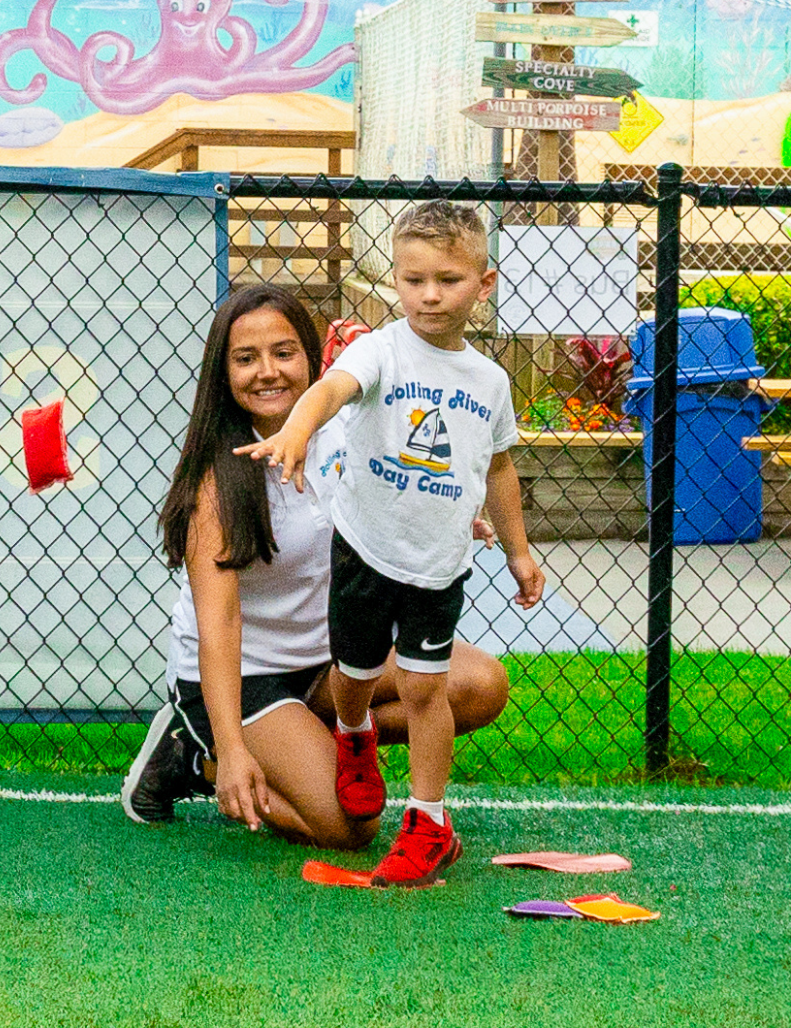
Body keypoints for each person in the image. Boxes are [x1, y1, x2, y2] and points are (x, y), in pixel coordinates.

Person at [123, 283, 509, 853]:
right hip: (247, 677)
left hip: (332, 661)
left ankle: (317, 741)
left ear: (311, 357)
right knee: (349, 828)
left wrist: (440, 516)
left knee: (480, 686)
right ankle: (195, 757)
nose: (267, 372)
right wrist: (230, 748)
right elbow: (219, 627)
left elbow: (386, 502)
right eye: (246, 358)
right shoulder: (216, 482)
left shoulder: (350, 431)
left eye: (283, 353)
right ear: (223, 373)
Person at [238, 201, 543, 885]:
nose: (429, 295)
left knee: (425, 690)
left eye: (447, 279)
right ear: (395, 282)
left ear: (483, 285)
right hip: (365, 555)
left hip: (439, 569)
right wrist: (296, 430)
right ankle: (354, 734)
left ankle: (429, 823)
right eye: (413, 280)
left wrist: (519, 550)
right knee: (353, 676)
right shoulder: (381, 350)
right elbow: (330, 390)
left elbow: (497, 467)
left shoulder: (490, 382)